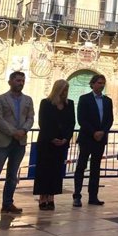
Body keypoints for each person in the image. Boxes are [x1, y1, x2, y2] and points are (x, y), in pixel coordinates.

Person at [0, 71, 34, 217]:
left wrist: (24, 130)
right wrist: (13, 132)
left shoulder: (28, 100)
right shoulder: (0, 99)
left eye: (23, 80)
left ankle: (8, 203)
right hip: (2, 141)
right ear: (10, 82)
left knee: (12, 175)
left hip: (20, 142)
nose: (21, 83)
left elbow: (30, 117)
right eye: (18, 80)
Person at [34, 79, 75, 210]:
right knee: (44, 170)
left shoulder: (70, 104)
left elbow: (71, 123)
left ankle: (51, 197)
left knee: (56, 171)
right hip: (47, 142)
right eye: (63, 90)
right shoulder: (46, 103)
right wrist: (52, 138)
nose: (65, 93)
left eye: (67, 90)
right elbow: (43, 122)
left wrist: (66, 138)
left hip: (62, 143)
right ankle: (42, 197)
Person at [73, 74, 114, 207]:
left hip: (100, 139)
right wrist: (93, 132)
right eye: (99, 83)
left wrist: (103, 131)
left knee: (96, 168)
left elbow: (110, 119)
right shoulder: (84, 99)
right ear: (92, 84)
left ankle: (93, 196)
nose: (101, 85)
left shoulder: (108, 101)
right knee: (81, 166)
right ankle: (77, 195)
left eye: (103, 83)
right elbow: (81, 119)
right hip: (87, 138)